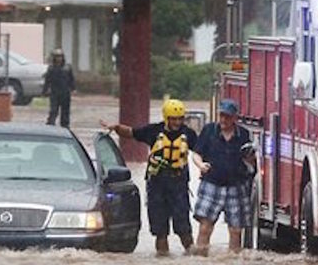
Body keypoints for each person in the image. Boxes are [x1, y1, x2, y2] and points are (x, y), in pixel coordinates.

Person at [100, 99, 198, 256]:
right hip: (157, 185)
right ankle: (162, 259)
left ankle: (192, 256)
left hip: (178, 185)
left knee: (183, 227)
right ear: (166, 118)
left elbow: (201, 151)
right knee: (160, 230)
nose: (177, 122)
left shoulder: (188, 134)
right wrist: (116, 128)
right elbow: (132, 133)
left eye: (180, 118)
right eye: (174, 118)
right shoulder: (153, 131)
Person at [192, 99, 255, 255]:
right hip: (211, 184)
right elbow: (196, 154)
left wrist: (250, 161)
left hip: (237, 186)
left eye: (227, 117)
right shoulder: (208, 131)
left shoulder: (244, 135)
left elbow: (250, 161)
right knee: (205, 227)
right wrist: (200, 165)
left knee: (235, 230)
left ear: (235, 118)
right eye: (221, 115)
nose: (223, 120)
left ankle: (233, 262)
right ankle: (200, 259)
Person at [43, 48, 75, 128]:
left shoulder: (67, 68)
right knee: (53, 110)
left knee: (65, 111)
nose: (58, 59)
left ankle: (65, 126)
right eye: (57, 57)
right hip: (55, 93)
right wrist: (45, 90)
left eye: (60, 56)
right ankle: (50, 124)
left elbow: (71, 79)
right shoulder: (51, 68)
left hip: (65, 93)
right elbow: (47, 80)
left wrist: (73, 88)